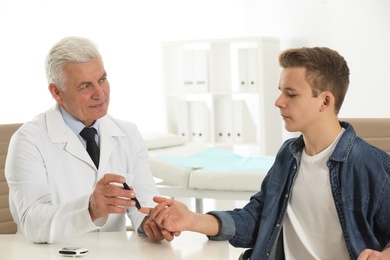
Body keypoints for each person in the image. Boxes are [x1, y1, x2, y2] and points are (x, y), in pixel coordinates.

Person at [140, 47, 390, 259]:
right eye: (280, 91)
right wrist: (191, 220)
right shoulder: (288, 155)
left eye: (291, 94)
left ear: (325, 101)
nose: (279, 102)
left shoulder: (372, 165)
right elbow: (257, 219)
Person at [5, 36, 173, 243]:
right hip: (52, 254)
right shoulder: (28, 141)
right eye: (85, 86)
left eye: (102, 79)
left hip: (112, 253)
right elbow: (32, 223)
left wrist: (152, 222)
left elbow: (143, 201)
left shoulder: (128, 134)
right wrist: (90, 209)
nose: (100, 93)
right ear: (57, 92)